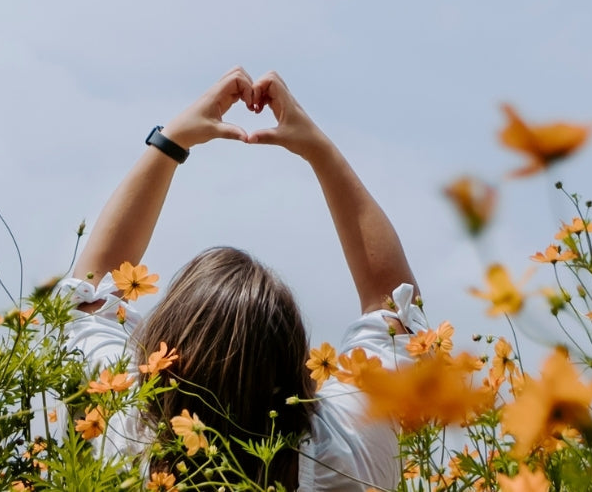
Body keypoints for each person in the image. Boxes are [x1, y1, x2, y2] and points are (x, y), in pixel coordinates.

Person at [59, 67, 421, 490]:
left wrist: (171, 140)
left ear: (162, 363)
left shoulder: (120, 433)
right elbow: (395, 307)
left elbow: (92, 290)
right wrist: (319, 151)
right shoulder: (343, 455)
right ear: (292, 373)